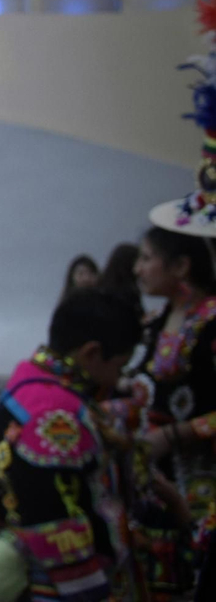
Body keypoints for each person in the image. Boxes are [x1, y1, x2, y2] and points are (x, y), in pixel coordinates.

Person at [0, 287, 143, 601]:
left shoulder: (33, 376)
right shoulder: (55, 415)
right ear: (92, 353)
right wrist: (90, 591)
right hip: (52, 580)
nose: (117, 379)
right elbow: (54, 520)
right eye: (119, 367)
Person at [127, 225, 216, 591]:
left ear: (180, 266)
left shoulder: (211, 322)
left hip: (204, 483)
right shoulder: (156, 323)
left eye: (147, 258)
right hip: (155, 482)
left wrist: (174, 434)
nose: (137, 269)